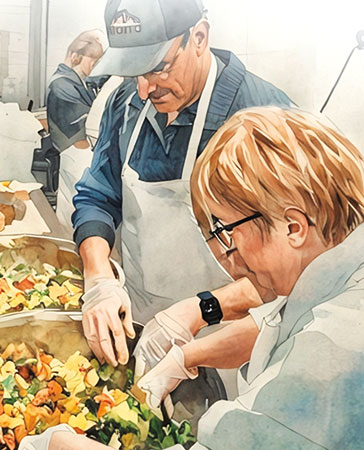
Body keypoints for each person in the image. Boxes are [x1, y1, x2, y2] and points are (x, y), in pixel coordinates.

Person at [21, 107, 364, 449]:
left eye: (226, 233)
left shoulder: (334, 347)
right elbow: (278, 322)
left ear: (293, 227)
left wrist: (59, 444)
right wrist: (186, 355)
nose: (225, 262)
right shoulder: (341, 271)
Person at [72, 0, 293, 367]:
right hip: (139, 316)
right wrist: (99, 279)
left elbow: (298, 265)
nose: (144, 90)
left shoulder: (263, 117)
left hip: (230, 336)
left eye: (158, 68)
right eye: (133, 73)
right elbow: (99, 193)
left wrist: (199, 310)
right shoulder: (126, 102)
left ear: (199, 37)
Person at [47, 30, 107, 235]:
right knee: (75, 224)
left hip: (81, 165)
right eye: (94, 60)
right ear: (75, 57)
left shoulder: (81, 82)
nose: (96, 67)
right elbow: (82, 134)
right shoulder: (62, 84)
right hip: (75, 161)